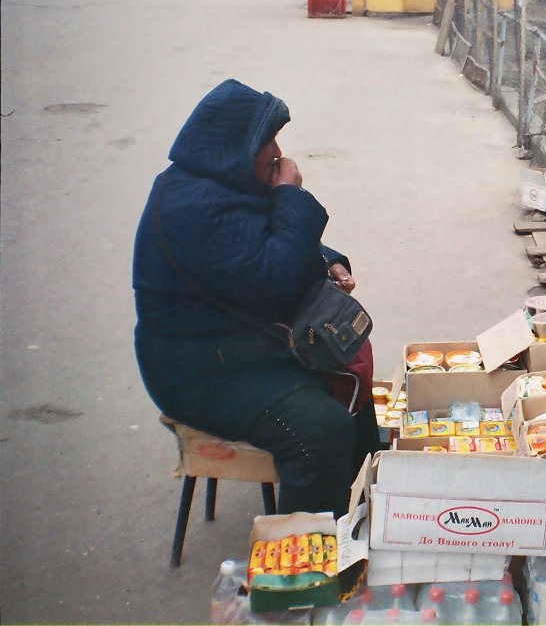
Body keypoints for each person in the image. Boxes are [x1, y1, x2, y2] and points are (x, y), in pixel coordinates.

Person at [132, 79, 381, 517]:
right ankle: (308, 556)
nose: (278, 153)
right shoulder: (191, 206)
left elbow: (260, 249)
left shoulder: (225, 185)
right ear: (236, 147)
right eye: (267, 141)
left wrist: (329, 261)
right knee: (320, 431)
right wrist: (291, 194)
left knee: (350, 375)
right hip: (199, 370)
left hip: (239, 345)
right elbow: (272, 280)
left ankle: (361, 511)